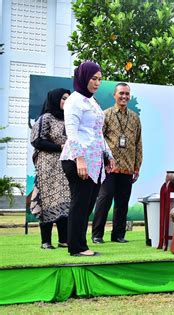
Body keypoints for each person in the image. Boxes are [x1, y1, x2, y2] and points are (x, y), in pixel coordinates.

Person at [60, 61, 115, 257]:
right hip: (77, 159)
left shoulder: (91, 101)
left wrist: (108, 154)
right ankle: (76, 247)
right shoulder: (74, 100)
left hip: (94, 159)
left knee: (87, 205)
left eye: (100, 79)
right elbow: (72, 132)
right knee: (80, 203)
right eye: (94, 78)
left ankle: (82, 245)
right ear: (84, 78)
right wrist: (79, 159)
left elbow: (97, 132)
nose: (97, 82)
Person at [92, 83, 142, 244]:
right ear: (115, 95)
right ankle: (97, 234)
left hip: (127, 166)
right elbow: (98, 140)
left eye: (127, 94)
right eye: (121, 93)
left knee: (122, 202)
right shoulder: (105, 115)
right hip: (109, 166)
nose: (124, 97)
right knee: (105, 198)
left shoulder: (134, 117)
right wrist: (102, 162)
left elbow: (138, 143)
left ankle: (118, 235)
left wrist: (137, 166)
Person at [30, 88, 71, 250]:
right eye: (63, 98)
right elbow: (36, 141)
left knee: (65, 201)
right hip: (47, 166)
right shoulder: (45, 118)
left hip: (65, 166)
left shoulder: (70, 119)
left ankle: (64, 240)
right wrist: (59, 146)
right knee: (48, 200)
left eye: (68, 98)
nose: (66, 101)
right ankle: (45, 241)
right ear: (54, 100)